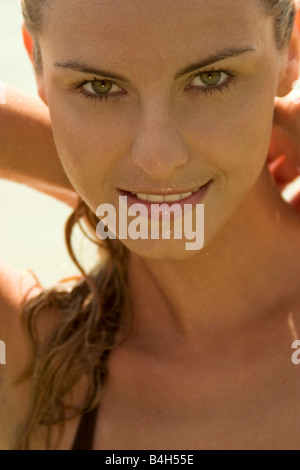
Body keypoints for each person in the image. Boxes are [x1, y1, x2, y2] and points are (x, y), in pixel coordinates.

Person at [2, 0, 300, 450]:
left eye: (211, 78)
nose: (157, 160)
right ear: (36, 63)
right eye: (99, 86)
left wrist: (119, 195)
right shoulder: (29, 362)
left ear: (291, 48)